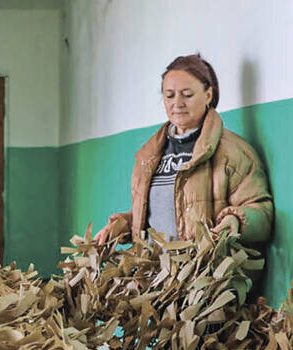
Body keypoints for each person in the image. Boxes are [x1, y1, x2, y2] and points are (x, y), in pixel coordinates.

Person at [95, 54, 273, 247]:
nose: (177, 103)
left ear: (208, 95)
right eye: (169, 95)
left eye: (187, 95)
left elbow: (262, 213)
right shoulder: (149, 155)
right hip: (155, 275)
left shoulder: (235, 152)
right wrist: (122, 224)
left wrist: (237, 220)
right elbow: (157, 215)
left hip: (205, 274)